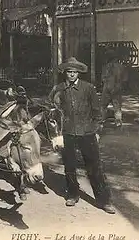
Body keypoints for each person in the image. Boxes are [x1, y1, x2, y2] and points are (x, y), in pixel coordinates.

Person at [47, 57, 115, 214]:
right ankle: (72, 194)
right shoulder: (60, 88)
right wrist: (56, 130)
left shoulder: (88, 88)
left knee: (94, 167)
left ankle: (104, 201)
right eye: (69, 72)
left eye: (74, 72)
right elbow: (51, 108)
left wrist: (96, 130)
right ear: (65, 73)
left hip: (87, 132)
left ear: (79, 73)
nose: (71, 74)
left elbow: (98, 112)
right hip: (67, 132)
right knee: (69, 166)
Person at [100, 51, 127, 127]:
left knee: (103, 105)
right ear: (117, 58)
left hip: (107, 88)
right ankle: (118, 122)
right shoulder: (122, 67)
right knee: (117, 106)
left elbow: (103, 78)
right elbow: (125, 79)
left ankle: (101, 120)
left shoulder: (105, 66)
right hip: (117, 88)